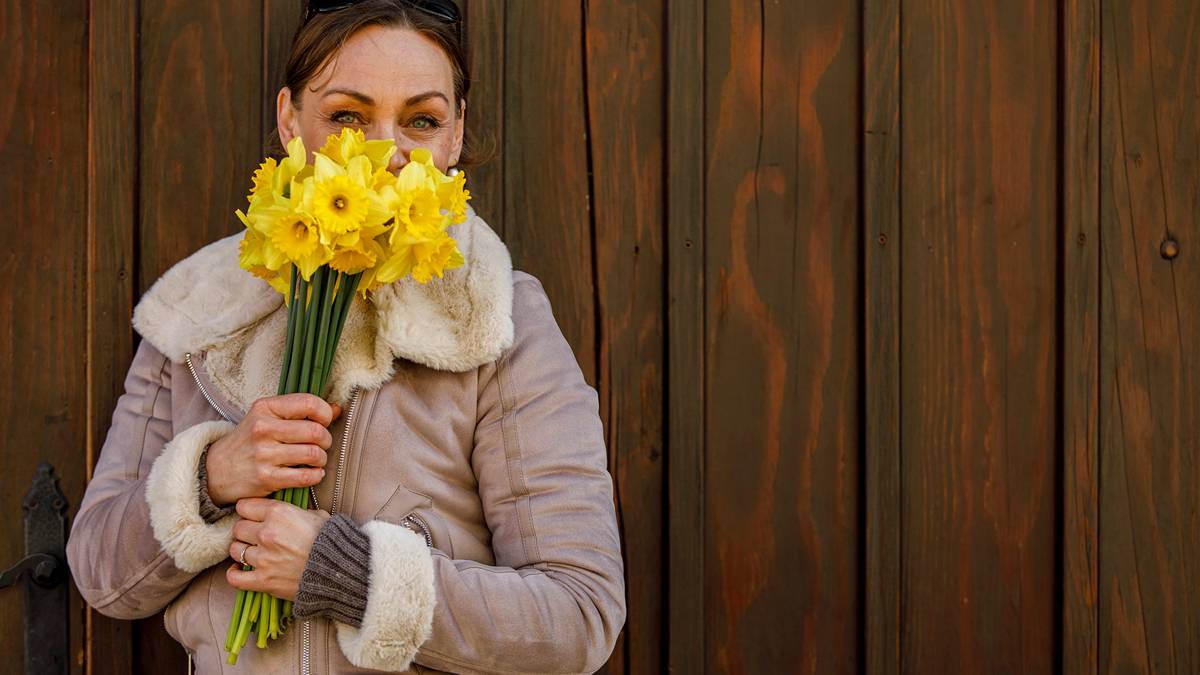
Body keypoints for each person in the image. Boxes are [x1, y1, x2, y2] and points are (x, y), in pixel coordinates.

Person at [65, 1, 627, 672]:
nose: (385, 155)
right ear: (288, 120)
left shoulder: (497, 316)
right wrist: (212, 479)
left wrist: (348, 573)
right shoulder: (201, 307)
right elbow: (101, 575)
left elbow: (580, 615)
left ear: (455, 136)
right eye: (347, 116)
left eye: (422, 120)